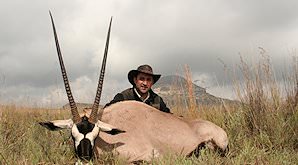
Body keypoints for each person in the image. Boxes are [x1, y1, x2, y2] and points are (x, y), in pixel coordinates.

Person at [105, 64, 171, 113]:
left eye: (148, 80)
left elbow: (168, 116)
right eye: (141, 79)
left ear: (152, 83)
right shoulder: (123, 97)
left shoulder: (158, 100)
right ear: (135, 80)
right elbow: (107, 111)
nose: (145, 83)